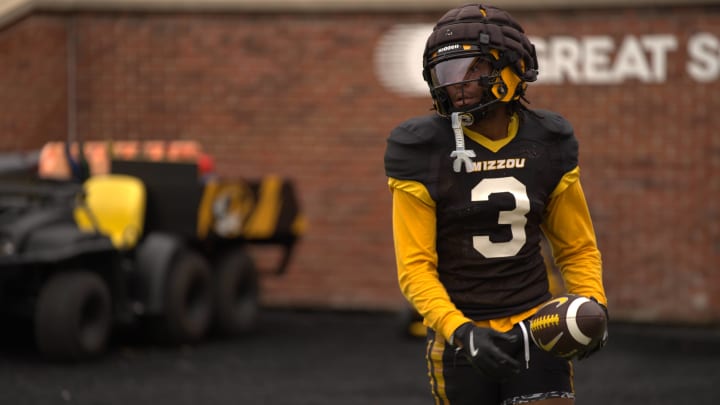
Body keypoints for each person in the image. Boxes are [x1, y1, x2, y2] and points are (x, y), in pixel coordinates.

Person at [384, 4, 608, 405]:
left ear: (512, 69)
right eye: (447, 72)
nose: (458, 84)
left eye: (472, 68)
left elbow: (577, 247)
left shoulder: (548, 140)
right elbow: (415, 267)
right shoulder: (420, 148)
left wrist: (591, 303)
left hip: (536, 325)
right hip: (461, 333)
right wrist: (460, 330)